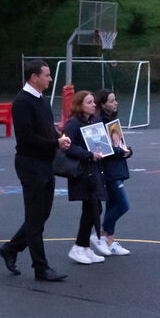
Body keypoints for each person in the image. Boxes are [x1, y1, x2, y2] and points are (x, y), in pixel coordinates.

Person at [0, 59, 71, 282]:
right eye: (47, 75)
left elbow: (46, 129)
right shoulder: (22, 102)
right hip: (30, 163)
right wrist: (55, 143)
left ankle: (11, 249)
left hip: (45, 162)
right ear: (34, 77)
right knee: (34, 217)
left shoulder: (41, 99)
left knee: (41, 214)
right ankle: (41, 268)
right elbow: (27, 137)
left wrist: (59, 137)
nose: (50, 79)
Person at [60, 90, 108, 265]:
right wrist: (88, 154)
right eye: (89, 102)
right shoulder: (73, 123)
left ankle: (85, 247)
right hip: (82, 171)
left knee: (94, 208)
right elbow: (67, 146)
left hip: (94, 169)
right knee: (91, 208)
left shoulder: (93, 121)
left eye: (93, 102)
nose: (94, 105)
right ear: (79, 105)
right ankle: (79, 246)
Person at [92, 89, 132, 256]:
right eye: (111, 100)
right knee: (123, 205)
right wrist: (119, 151)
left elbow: (118, 145)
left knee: (112, 205)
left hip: (116, 167)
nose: (116, 103)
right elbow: (101, 148)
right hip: (108, 171)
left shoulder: (112, 121)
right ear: (103, 104)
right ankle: (101, 235)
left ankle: (109, 242)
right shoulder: (99, 122)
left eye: (115, 100)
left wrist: (128, 151)